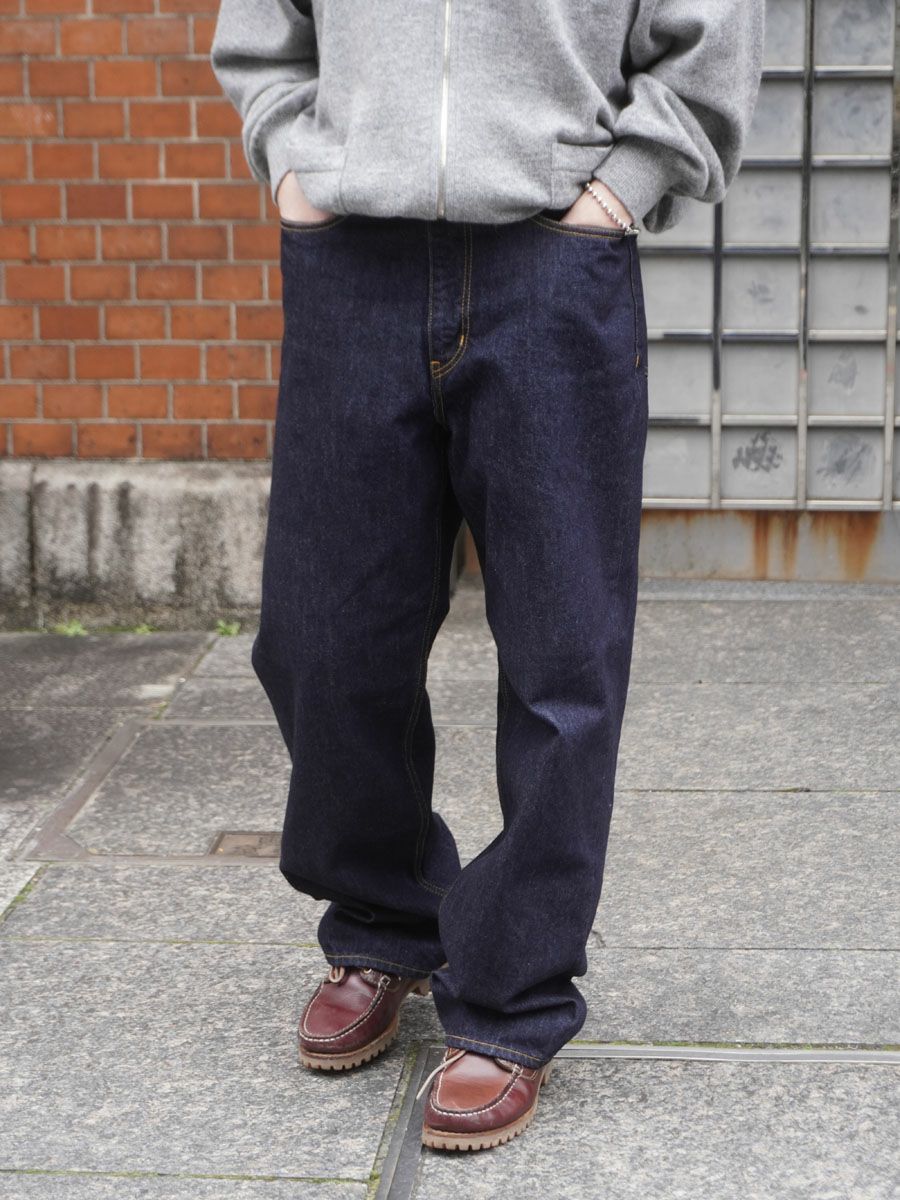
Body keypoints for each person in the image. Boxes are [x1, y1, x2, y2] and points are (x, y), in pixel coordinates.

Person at [210, 0, 765, 1153]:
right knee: (320, 634)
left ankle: (513, 998)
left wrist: (613, 193)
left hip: (549, 264)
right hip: (353, 261)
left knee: (565, 653)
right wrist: (298, 166)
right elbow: (266, 26)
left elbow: (708, 31)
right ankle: (383, 915)